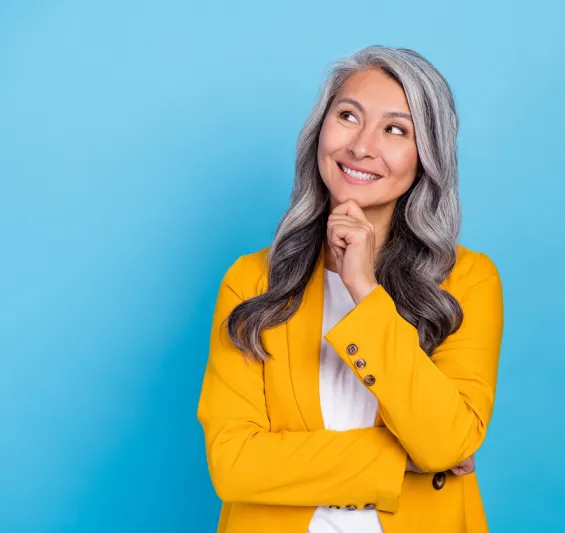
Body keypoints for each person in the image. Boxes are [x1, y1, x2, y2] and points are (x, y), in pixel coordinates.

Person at [197, 45, 504, 533]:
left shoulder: (467, 280)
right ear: (319, 131)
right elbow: (233, 464)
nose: (362, 146)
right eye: (347, 116)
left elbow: (447, 444)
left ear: (426, 156)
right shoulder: (253, 282)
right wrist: (401, 460)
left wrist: (364, 288)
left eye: (396, 129)